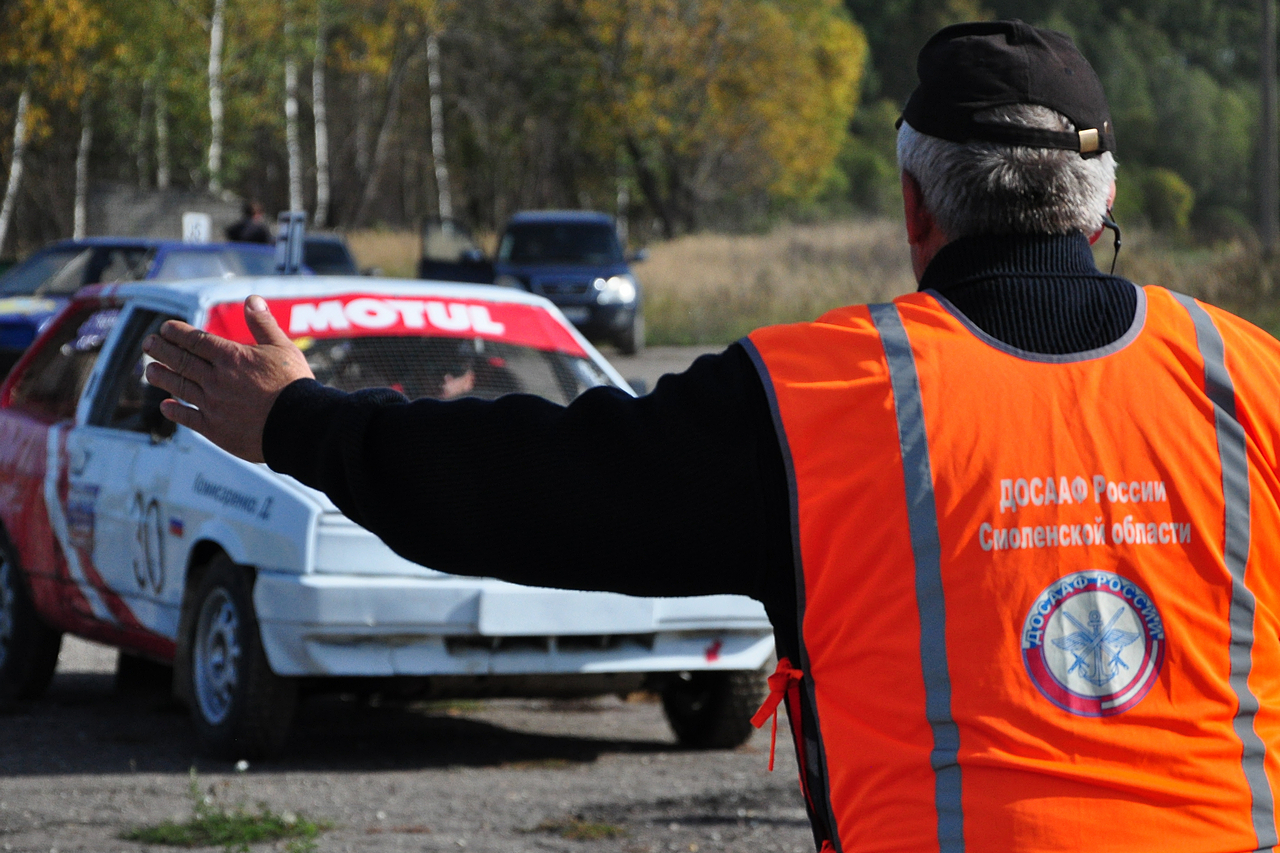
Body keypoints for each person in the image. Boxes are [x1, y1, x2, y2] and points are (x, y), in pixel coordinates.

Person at [142, 20, 1280, 853]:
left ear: (914, 211)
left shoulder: (813, 398)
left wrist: (300, 419)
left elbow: (519, 490)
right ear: (1094, 203)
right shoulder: (1250, 379)